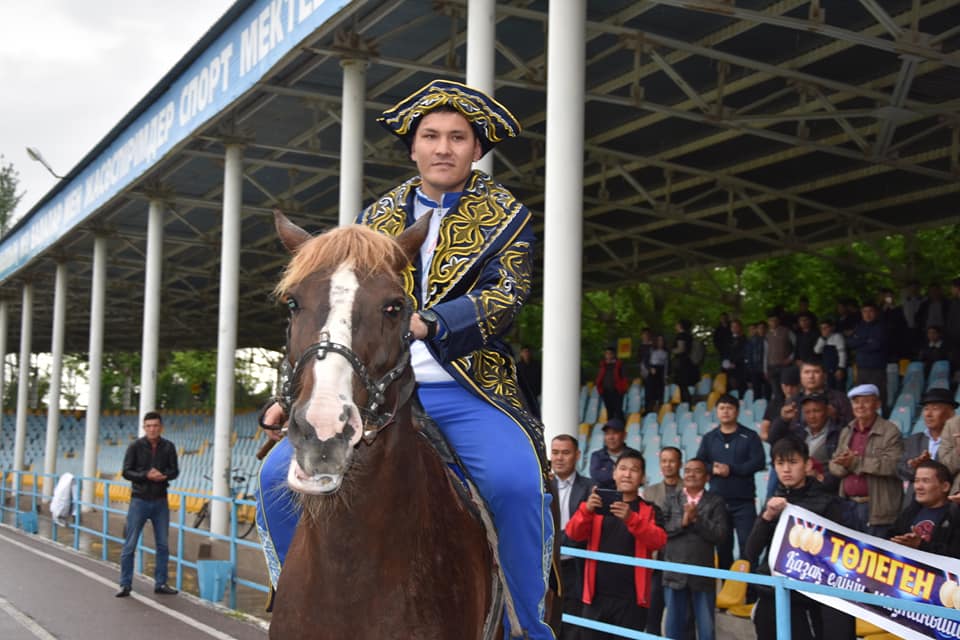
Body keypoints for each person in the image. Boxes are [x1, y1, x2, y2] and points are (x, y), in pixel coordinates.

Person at [258, 79, 555, 639]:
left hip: (470, 388)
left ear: (476, 148)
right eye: (431, 136)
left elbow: (506, 295)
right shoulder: (375, 216)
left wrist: (431, 322)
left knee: (516, 486)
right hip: (377, 388)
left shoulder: (507, 217)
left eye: (457, 137)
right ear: (413, 147)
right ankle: (292, 600)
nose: (443, 148)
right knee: (275, 478)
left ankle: (526, 627)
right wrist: (295, 393)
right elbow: (333, 315)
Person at [745, 437, 855, 640]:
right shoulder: (773, 502)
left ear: (807, 464)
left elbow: (838, 556)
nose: (786, 469)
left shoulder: (827, 503)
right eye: (780, 463)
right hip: (771, 592)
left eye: (793, 462)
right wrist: (767, 517)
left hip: (807, 598)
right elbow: (751, 551)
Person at [565, 450, 666, 639]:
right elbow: (573, 534)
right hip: (595, 597)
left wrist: (631, 519)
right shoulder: (595, 506)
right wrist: (586, 510)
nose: (627, 474)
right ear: (614, 473)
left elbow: (659, 541)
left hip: (632, 601)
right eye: (623, 468)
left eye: (634, 470)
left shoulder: (650, 510)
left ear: (642, 477)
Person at [695, 394, 766, 572]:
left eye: (729, 408)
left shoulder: (749, 436)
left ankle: (750, 586)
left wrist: (731, 469)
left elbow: (758, 462)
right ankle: (727, 584)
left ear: (737, 411)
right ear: (716, 411)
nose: (725, 411)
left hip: (744, 501)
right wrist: (712, 469)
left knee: (748, 547)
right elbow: (700, 463)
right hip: (718, 502)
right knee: (722, 547)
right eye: (722, 408)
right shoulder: (709, 438)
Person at [661, 458, 728, 640]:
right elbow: (661, 530)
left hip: (702, 574)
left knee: (706, 630)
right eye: (688, 470)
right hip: (674, 573)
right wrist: (683, 522)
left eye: (697, 471)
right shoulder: (671, 499)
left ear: (707, 477)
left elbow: (720, 535)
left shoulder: (716, 501)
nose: (691, 474)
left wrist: (697, 519)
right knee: (674, 628)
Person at [116, 411, 179, 597]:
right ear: (144, 427)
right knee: (130, 544)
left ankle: (161, 583)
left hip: (160, 501)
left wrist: (164, 476)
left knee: (163, 545)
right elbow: (126, 472)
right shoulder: (135, 446)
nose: (152, 429)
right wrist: (146, 475)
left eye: (156, 426)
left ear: (161, 427)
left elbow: (175, 471)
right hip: (139, 501)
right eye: (149, 426)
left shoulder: (168, 446)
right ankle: (125, 584)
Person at [828, 384, 903, 538]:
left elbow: (894, 465)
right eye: (856, 402)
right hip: (847, 505)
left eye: (866, 401)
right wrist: (843, 464)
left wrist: (855, 463)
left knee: (874, 551)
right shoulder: (847, 430)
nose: (860, 406)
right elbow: (834, 464)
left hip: (876, 509)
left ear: (878, 404)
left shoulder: (890, 431)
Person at [551, 435, 595, 640]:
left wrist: (561, 539)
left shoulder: (590, 488)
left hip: (575, 567)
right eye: (555, 453)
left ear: (577, 455)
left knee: (573, 625)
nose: (559, 458)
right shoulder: (540, 485)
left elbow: (585, 531)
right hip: (546, 566)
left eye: (565, 453)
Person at [642, 446, 683, 637]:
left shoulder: (689, 489)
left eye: (672, 461)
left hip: (680, 559)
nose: (668, 465)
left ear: (680, 463)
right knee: (653, 613)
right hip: (656, 559)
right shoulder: (650, 492)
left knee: (680, 617)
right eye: (664, 461)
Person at [770, 392, 843, 493]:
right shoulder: (798, 432)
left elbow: (841, 468)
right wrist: (783, 420)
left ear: (827, 411)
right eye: (807, 412)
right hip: (797, 490)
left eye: (816, 411)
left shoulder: (838, 434)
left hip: (825, 491)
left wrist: (821, 477)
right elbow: (774, 441)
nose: (812, 416)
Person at [898, 388, 957, 505]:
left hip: (947, 504)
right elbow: (900, 469)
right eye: (926, 409)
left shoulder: (956, 441)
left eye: (935, 408)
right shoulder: (914, 440)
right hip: (914, 504)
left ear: (951, 414)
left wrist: (930, 466)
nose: (928, 414)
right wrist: (913, 466)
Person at [890, 460, 960, 557]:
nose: (918, 487)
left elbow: (954, 554)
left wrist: (920, 545)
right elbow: (891, 536)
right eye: (916, 481)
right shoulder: (912, 510)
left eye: (925, 481)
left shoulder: (955, 516)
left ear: (945, 486)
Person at [589, 418, 639, 490]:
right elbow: (596, 476)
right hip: (604, 495)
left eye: (615, 433)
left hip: (627, 494)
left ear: (624, 435)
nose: (610, 437)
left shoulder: (634, 455)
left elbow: (637, 478)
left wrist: (607, 473)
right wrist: (623, 476)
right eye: (607, 433)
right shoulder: (597, 455)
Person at [596, 346, 628, 423]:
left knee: (618, 410)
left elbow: (624, 377)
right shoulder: (603, 364)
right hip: (605, 391)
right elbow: (600, 376)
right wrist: (600, 389)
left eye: (610, 354)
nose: (608, 355)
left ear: (613, 355)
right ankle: (610, 426)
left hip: (617, 391)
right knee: (609, 410)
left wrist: (622, 389)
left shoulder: (619, 364)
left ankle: (621, 425)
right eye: (606, 354)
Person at [813, 318, 847, 391]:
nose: (824, 330)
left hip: (836, 367)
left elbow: (842, 353)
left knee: (839, 389)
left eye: (826, 328)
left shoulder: (838, 337)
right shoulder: (821, 338)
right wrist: (824, 338)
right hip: (826, 368)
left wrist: (841, 368)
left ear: (832, 327)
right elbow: (817, 351)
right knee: (828, 389)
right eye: (822, 328)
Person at [672, 320, 699, 405]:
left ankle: (686, 403)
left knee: (682, 386)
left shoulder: (681, 336)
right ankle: (687, 403)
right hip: (688, 363)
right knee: (684, 386)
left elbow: (681, 349)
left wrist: (673, 350)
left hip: (682, 364)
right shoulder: (689, 336)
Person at [643, 335, 669, 415]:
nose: (660, 342)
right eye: (659, 340)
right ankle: (648, 410)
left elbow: (667, 365)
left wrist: (666, 376)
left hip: (661, 372)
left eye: (662, 340)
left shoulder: (666, 352)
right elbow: (645, 361)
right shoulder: (651, 350)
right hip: (652, 371)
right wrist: (650, 368)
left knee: (660, 392)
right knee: (650, 392)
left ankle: (659, 411)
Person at [517, 345, 543, 418]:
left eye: (528, 352)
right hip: (523, 395)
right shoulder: (518, 366)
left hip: (536, 394)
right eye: (524, 352)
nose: (526, 354)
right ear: (521, 354)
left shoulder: (537, 365)